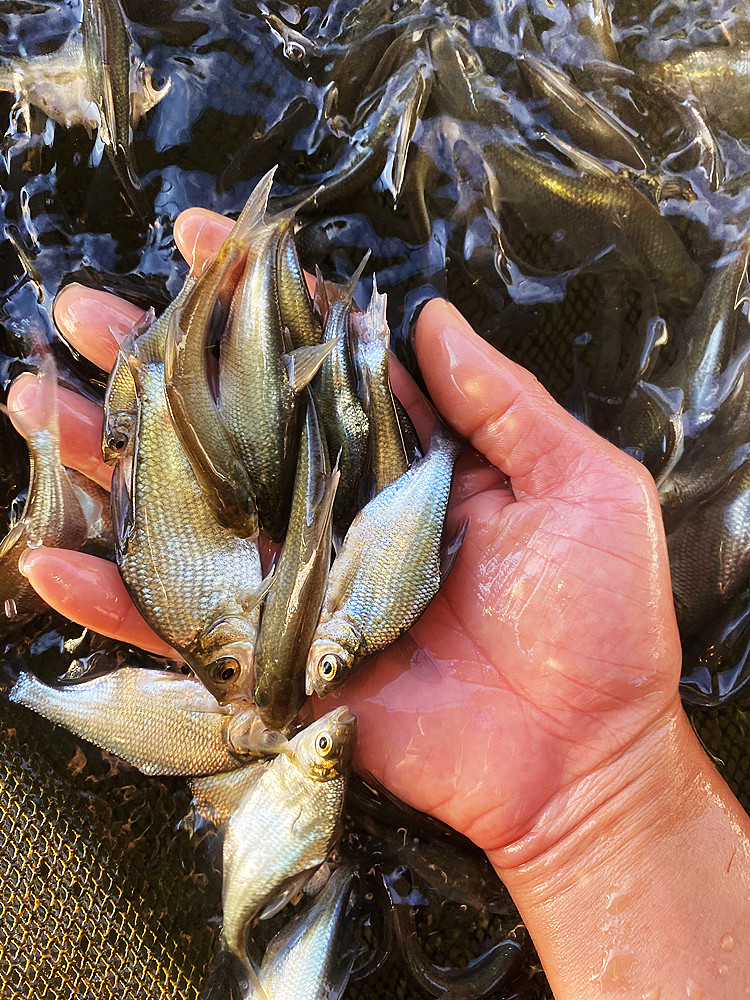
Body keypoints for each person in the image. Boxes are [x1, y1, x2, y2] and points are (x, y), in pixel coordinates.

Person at [8, 207, 750, 998]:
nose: (269, 672)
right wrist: (613, 780)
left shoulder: (271, 613)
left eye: (228, 670)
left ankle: (256, 285)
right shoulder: (305, 617)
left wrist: (609, 773)